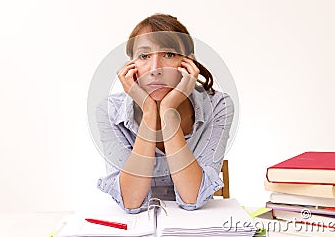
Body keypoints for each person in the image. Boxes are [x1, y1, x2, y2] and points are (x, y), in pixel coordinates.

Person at [96, 14, 234, 214]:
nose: (155, 69)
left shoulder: (218, 105)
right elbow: (131, 201)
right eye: (144, 56)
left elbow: (192, 198)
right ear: (131, 66)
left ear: (188, 64)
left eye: (169, 54)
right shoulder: (109, 111)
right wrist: (150, 111)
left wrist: (168, 111)